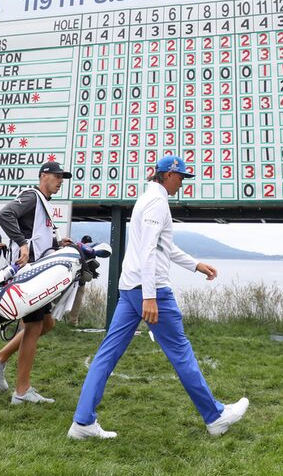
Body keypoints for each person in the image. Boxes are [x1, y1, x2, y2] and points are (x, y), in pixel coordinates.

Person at [67, 155, 249, 440]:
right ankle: (215, 417)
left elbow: (165, 247)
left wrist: (196, 265)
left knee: (107, 354)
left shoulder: (148, 198)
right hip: (150, 291)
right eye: (181, 177)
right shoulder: (157, 202)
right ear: (167, 175)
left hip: (131, 289)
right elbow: (150, 251)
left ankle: (82, 422)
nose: (182, 183)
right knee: (180, 351)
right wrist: (150, 297)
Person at [0, 161, 74, 404]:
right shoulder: (33, 197)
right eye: (57, 176)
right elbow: (4, 214)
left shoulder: (43, 204)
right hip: (30, 275)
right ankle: (22, 392)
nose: (60, 180)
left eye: (62, 177)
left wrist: (57, 246)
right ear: (44, 176)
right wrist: (21, 242)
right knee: (33, 327)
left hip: (37, 273)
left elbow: (39, 240)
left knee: (47, 324)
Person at [65, 235, 94, 326]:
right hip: (80, 281)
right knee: (77, 302)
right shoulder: (89, 250)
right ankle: (73, 322)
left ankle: (70, 322)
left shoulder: (77, 247)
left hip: (73, 279)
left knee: (71, 301)